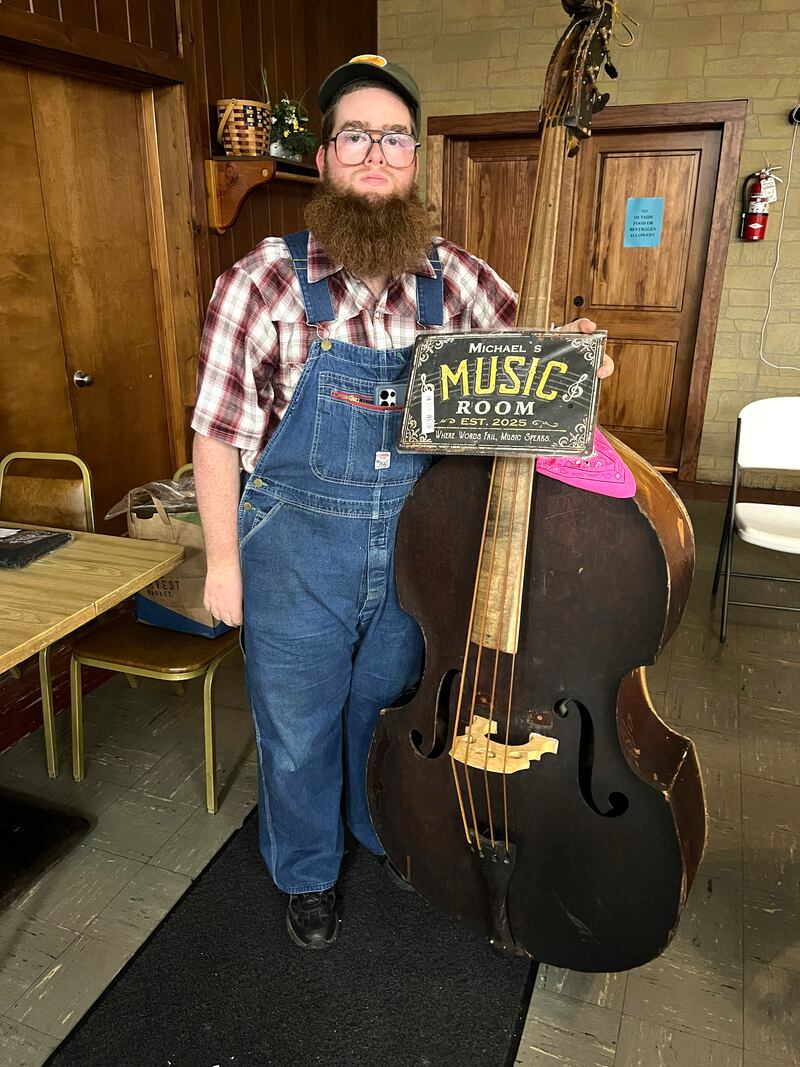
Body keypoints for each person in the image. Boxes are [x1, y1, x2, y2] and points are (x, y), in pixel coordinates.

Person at [192, 55, 613, 950]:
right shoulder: (262, 282)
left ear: (414, 160)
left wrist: (575, 357)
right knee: (296, 727)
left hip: (413, 556)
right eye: (355, 136)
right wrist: (222, 564)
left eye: (393, 138)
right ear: (325, 155)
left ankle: (372, 826)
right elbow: (217, 435)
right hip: (293, 553)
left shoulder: (454, 280)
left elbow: (531, 363)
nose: (375, 154)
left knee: (384, 707)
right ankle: (307, 872)